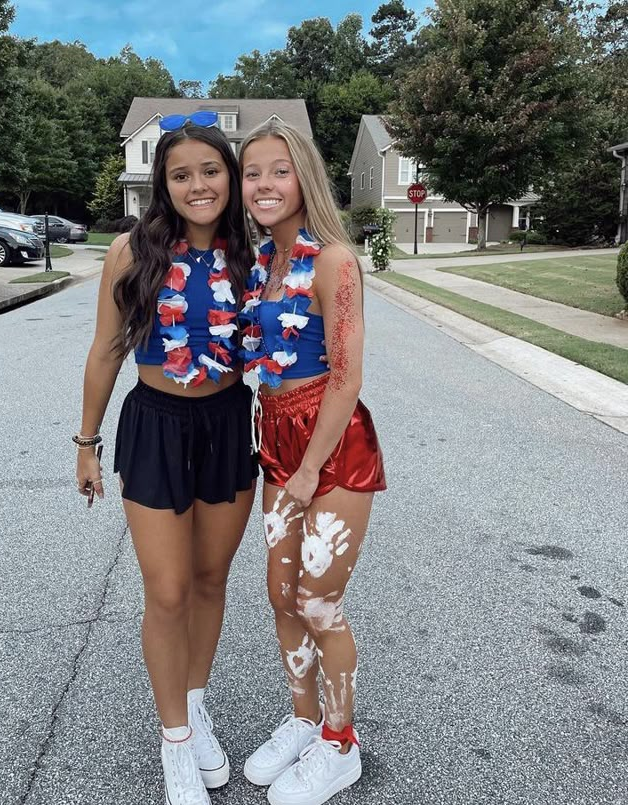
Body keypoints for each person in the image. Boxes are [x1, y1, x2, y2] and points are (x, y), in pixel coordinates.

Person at [75, 115, 258, 805]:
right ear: (164, 184)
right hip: (156, 423)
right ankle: (175, 740)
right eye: (181, 174)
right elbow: (105, 350)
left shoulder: (253, 253)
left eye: (211, 171)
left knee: (211, 578)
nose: (198, 184)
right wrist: (86, 442)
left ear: (229, 177)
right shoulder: (133, 250)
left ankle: (195, 702)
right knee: (169, 589)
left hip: (227, 419)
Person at [238, 120, 386, 805]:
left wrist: (303, 474)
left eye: (278, 170)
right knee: (280, 595)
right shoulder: (263, 262)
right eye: (252, 173)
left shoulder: (334, 261)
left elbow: (347, 378)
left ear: (304, 178)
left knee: (319, 601)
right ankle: (302, 720)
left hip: (332, 445)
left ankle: (340, 743)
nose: (263, 184)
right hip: (276, 436)